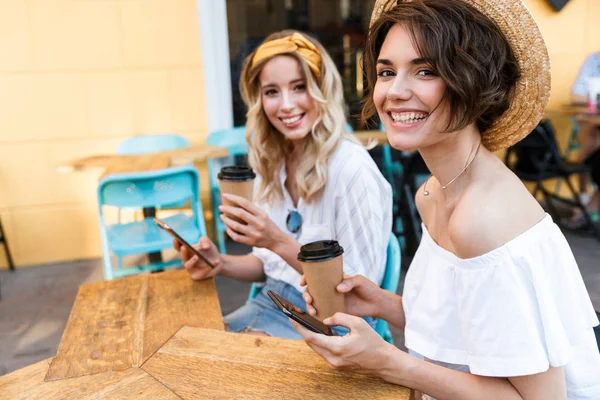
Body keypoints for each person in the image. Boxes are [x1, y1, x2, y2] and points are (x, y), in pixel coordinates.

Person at [292, 1, 600, 399]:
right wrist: (381, 303)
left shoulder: (483, 219)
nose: (395, 92)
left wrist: (387, 360)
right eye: (386, 72)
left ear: (471, 82)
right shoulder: (433, 192)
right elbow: (465, 331)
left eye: (425, 71)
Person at [174, 30, 392, 339]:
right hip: (273, 303)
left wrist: (275, 239)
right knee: (190, 341)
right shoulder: (271, 162)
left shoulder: (351, 169)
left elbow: (354, 293)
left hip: (333, 323)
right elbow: (267, 267)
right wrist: (218, 263)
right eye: (272, 92)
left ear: (321, 90)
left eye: (299, 87)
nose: (286, 105)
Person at [568, 52, 600, 228]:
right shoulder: (594, 61)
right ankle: (584, 198)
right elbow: (576, 96)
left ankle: (589, 207)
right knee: (590, 139)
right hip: (593, 123)